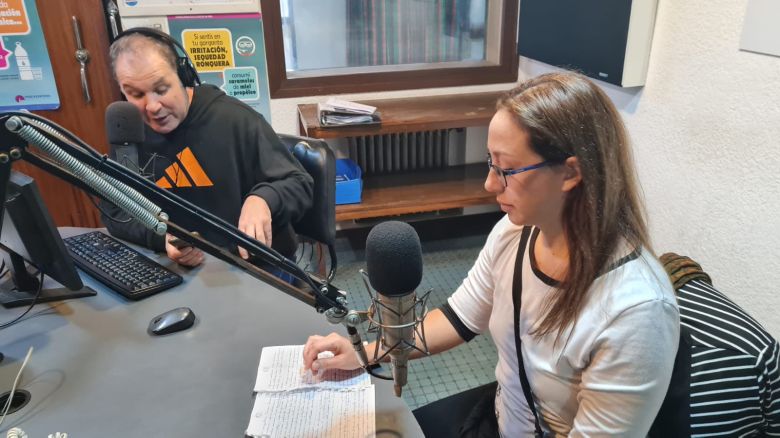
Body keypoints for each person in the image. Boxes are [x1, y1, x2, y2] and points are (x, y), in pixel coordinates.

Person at [303, 72, 680, 436]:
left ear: (570, 174)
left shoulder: (637, 312)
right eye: (491, 163)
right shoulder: (513, 232)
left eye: (508, 169)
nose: (489, 184)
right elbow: (458, 319)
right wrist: (365, 352)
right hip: (496, 416)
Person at [101, 28, 313, 267]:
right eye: (136, 94)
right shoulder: (129, 132)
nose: (152, 107)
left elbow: (299, 183)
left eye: (161, 89)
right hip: (180, 271)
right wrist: (163, 239)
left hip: (253, 270)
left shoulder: (235, 119)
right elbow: (116, 211)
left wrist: (263, 199)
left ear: (182, 75)